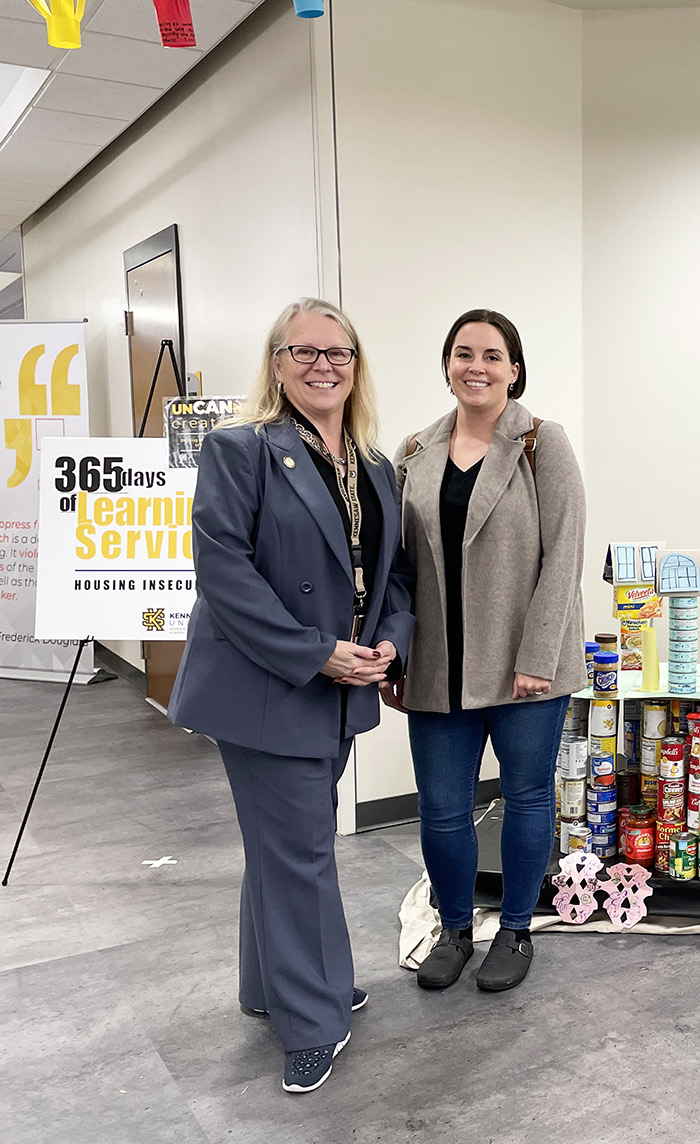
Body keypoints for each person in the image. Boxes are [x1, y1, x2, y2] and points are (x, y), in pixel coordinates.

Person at [169, 298, 414, 1094]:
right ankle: (314, 1022)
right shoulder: (240, 450)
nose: (322, 365)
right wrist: (318, 655)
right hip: (269, 689)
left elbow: (396, 580)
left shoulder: (377, 467)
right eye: (303, 351)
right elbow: (225, 576)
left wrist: (391, 643)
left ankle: (267, 986)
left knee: (280, 847)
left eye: (338, 353)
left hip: (342, 687)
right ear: (277, 363)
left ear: (356, 365)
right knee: (303, 852)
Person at [381, 308, 586, 993]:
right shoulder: (414, 452)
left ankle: (519, 930)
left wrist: (537, 653)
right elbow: (398, 568)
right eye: (464, 353)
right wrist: (395, 655)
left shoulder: (540, 443)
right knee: (441, 807)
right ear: (446, 366)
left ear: (514, 370)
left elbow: (564, 555)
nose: (477, 366)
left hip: (526, 665)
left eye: (493, 355)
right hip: (439, 665)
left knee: (527, 799)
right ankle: (456, 927)